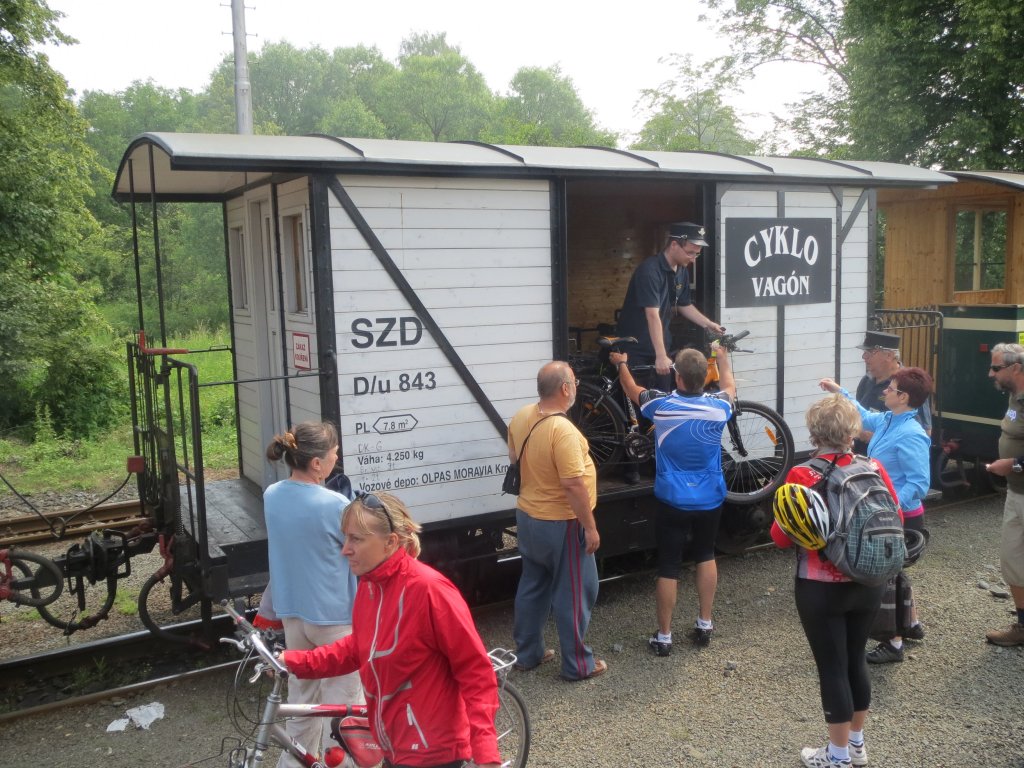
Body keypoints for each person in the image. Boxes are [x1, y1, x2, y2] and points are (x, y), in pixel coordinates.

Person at [279, 492, 501, 768]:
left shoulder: (429, 590)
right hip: (394, 748)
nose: (344, 549)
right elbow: (358, 647)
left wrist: (486, 754)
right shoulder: (370, 587)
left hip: (433, 754)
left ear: (391, 542)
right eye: (346, 537)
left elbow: (475, 672)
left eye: (356, 539)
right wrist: (293, 660)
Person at [771, 395, 902, 768]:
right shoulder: (873, 466)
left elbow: (781, 537)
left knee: (832, 667)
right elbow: (895, 517)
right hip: (869, 578)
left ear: (814, 433)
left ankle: (838, 756)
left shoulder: (803, 475)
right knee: (856, 658)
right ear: (851, 431)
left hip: (820, 586)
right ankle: (857, 746)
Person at [609, 343, 735, 654]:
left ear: (676, 377)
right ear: (705, 377)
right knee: (706, 554)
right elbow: (730, 384)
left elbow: (629, 388)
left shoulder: (660, 405)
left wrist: (621, 363)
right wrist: (722, 355)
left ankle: (664, 636)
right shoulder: (719, 406)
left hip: (672, 498)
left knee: (668, 565)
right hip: (709, 497)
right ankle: (705, 623)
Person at [263, 422, 362, 767]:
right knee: (346, 713)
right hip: (335, 620)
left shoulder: (272, 495)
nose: (337, 457)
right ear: (317, 463)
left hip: (293, 616)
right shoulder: (335, 504)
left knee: (301, 705)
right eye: (334, 453)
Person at [820, 367, 933, 662]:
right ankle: (912, 624)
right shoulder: (889, 420)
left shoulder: (911, 434)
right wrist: (838, 391)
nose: (884, 391)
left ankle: (893, 642)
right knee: (896, 573)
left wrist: (891, 505)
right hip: (889, 514)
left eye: (891, 388)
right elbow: (862, 414)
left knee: (886, 579)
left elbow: (920, 483)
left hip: (900, 518)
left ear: (903, 397)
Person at [507, 361, 606, 681]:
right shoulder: (562, 430)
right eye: (574, 382)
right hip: (561, 524)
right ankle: (577, 665)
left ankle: (528, 654)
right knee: (576, 593)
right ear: (565, 389)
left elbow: (514, 458)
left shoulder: (522, 416)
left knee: (533, 585)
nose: (576, 386)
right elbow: (573, 483)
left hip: (528, 517)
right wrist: (589, 527)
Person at [615, 221, 725, 390]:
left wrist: (708, 324)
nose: (693, 260)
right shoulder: (650, 271)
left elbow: (684, 304)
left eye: (697, 255)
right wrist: (660, 355)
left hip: (661, 346)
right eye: (690, 253)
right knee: (641, 403)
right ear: (674, 244)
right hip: (638, 348)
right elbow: (652, 314)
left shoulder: (681, 270)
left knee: (664, 399)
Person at [982, 342, 1024, 646]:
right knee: (1012, 560)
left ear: (1016, 368)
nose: (990, 373)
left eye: (996, 367)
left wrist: (1015, 464)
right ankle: (1022, 626)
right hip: (1015, 493)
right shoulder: (1013, 396)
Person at [852, 330, 932, 451]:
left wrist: (876, 438)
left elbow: (925, 432)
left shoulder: (909, 385)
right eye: (864, 353)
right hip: (862, 459)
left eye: (869, 352)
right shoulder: (866, 381)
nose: (864, 357)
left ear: (889, 355)